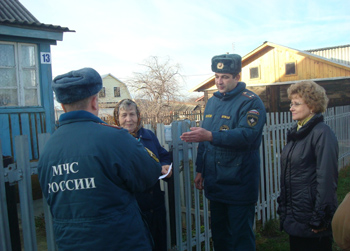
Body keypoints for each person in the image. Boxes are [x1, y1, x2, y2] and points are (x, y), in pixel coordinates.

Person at [38, 68, 162, 250]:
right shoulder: (115, 138)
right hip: (121, 242)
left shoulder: (48, 149)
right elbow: (150, 174)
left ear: (63, 106)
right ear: (95, 101)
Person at [180, 54, 266, 250]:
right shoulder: (213, 102)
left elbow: (247, 136)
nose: (219, 81)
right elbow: (204, 140)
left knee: (240, 239)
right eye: (217, 76)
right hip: (216, 185)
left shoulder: (251, 102)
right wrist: (200, 170)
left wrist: (210, 136)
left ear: (237, 76)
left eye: (225, 76)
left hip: (239, 185)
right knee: (220, 237)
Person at [277, 80, 339, 251]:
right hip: (296, 216)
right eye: (291, 103)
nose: (291, 107)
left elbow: (327, 179)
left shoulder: (322, 133)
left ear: (312, 106)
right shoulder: (297, 133)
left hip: (312, 219)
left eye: (297, 103)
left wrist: (321, 217)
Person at [114, 99, 172, 251]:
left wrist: (165, 165)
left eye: (132, 114)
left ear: (138, 116)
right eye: (124, 115)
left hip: (155, 203)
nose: (128, 119)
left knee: (159, 244)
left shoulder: (148, 135)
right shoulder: (113, 140)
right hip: (132, 206)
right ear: (117, 117)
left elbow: (163, 155)